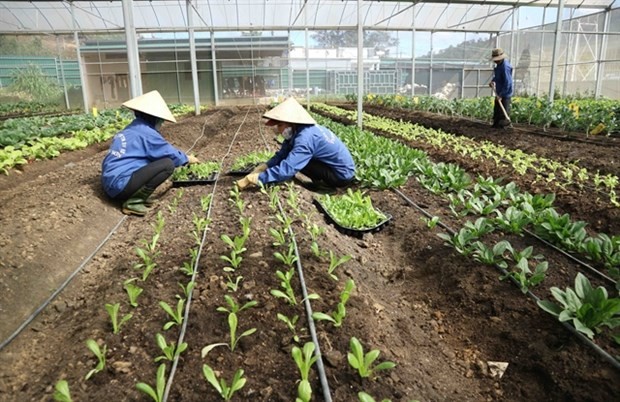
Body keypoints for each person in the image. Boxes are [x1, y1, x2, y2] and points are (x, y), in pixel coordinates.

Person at [101, 90, 199, 216]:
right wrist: (187, 158)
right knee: (167, 164)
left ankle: (136, 196)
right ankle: (133, 202)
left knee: (157, 162)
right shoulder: (146, 133)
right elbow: (170, 154)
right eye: (160, 119)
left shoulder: (133, 128)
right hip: (120, 185)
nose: (161, 122)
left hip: (111, 183)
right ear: (153, 117)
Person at [236, 97, 355, 190]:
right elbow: (282, 154)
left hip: (341, 175)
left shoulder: (305, 138)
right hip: (332, 168)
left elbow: (288, 168)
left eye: (280, 125)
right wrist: (265, 166)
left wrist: (258, 178)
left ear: (291, 123)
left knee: (297, 162)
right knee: (292, 157)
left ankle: (325, 185)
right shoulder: (300, 131)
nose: (279, 130)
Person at [489, 48, 513, 129]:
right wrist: (493, 81)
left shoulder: (505, 67)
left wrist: (501, 95)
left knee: (503, 113)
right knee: (497, 110)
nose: (494, 61)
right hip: (499, 91)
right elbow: (498, 77)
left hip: (505, 93)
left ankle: (503, 130)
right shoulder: (499, 65)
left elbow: (508, 83)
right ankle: (495, 126)